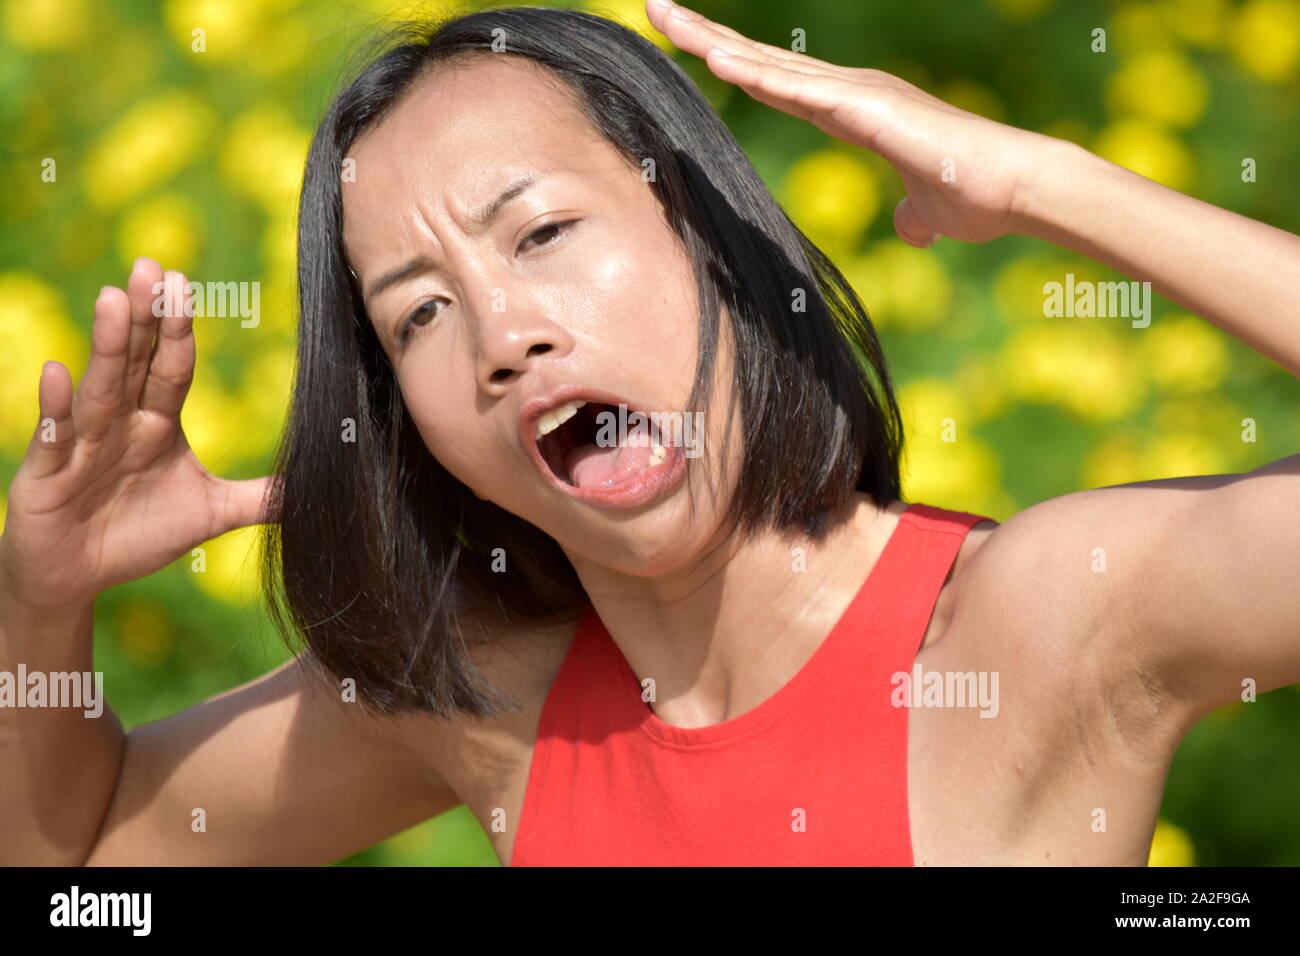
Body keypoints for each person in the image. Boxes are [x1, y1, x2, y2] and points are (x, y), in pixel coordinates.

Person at [2, 0, 1297, 866]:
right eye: (423, 316)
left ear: (706, 232)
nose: (504, 333)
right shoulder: (486, 702)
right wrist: (40, 603)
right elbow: (77, 858)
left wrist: (1040, 183)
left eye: (545, 233)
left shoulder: (1037, 624)